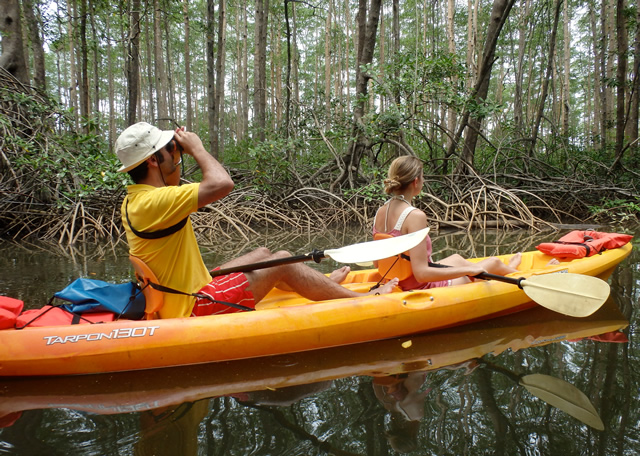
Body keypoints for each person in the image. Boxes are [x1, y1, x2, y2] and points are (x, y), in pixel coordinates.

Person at [115, 122, 398, 319]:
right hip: (193, 305)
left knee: (265, 254)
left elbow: (195, 183)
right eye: (170, 150)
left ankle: (315, 285)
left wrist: (175, 152)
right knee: (284, 259)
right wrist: (197, 148)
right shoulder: (153, 202)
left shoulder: (140, 198)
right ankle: (365, 299)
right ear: (153, 161)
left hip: (182, 289)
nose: (177, 156)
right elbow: (222, 183)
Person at [373, 155, 528, 291]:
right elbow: (421, 274)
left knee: (456, 258)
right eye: (423, 177)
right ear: (416, 181)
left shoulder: (380, 212)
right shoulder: (414, 216)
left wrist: (463, 267)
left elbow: (377, 264)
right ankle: (516, 273)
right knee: (493, 262)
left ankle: (505, 270)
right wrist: (466, 271)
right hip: (420, 286)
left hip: (398, 281)